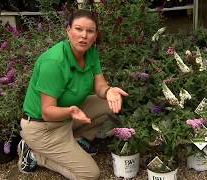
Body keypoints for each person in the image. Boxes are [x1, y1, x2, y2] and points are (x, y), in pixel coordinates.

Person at [17, 9, 129, 179]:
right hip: (43, 127)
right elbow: (47, 112)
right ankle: (34, 154)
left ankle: (75, 140)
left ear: (95, 35)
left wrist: (108, 91)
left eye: (90, 31)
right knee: (90, 174)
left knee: (112, 104)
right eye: (78, 29)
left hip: (68, 118)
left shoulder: (90, 52)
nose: (84, 35)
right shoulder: (54, 62)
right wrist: (70, 112)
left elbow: (99, 84)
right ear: (68, 30)